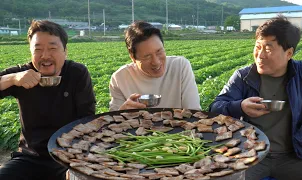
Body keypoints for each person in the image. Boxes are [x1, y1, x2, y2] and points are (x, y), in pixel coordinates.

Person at [209, 16, 302, 180]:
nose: (260, 55)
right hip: (252, 157)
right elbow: (215, 108)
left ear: (289, 53)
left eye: (268, 49)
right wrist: (240, 106)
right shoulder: (243, 76)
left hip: (291, 157)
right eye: (258, 47)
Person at [0, 20, 96, 180]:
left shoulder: (77, 73)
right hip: (30, 157)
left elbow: (87, 118)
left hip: (69, 156)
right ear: (31, 52)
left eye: (52, 48)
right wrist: (13, 79)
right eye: (38, 49)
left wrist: (75, 159)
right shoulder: (23, 74)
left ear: (65, 51)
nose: (45, 55)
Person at [109, 21, 201, 111]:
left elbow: (193, 112)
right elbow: (113, 122)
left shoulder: (180, 66)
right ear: (133, 57)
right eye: (147, 56)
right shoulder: (120, 78)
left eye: (159, 51)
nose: (156, 62)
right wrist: (122, 112)